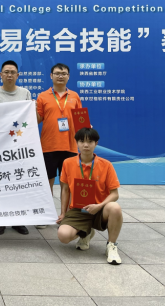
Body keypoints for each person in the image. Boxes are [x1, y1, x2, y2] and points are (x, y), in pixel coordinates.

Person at [57, 128, 123, 265]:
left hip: (100, 209)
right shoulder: (67, 163)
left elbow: (115, 194)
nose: (86, 145)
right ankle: (85, 233)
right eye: (82, 141)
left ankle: (111, 245)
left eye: (90, 141)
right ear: (76, 143)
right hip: (78, 210)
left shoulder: (106, 165)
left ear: (96, 143)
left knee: (115, 208)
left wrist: (99, 206)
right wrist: (63, 213)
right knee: (63, 236)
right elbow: (65, 190)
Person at [0, 60, 31, 236]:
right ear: (0, 75)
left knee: (18, 183)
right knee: (1, 183)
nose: (9, 75)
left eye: (13, 72)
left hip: (19, 147)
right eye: (6, 72)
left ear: (18, 75)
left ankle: (18, 220)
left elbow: (28, 120)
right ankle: (1, 220)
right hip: (0, 147)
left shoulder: (25, 93)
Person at [36, 63, 83, 194]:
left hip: (70, 146)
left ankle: (65, 208)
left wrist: (86, 128)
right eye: (57, 73)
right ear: (51, 76)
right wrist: (31, 110)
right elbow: (37, 120)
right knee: (47, 183)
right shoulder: (42, 96)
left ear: (69, 76)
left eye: (63, 74)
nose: (60, 76)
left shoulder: (75, 96)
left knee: (67, 185)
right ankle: (48, 208)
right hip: (48, 146)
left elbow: (80, 121)